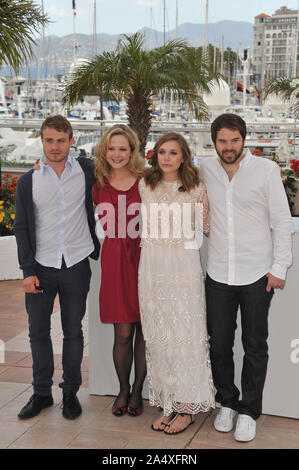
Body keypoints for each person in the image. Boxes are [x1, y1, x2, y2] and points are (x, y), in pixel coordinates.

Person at [199, 113, 293, 442]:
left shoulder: (266, 171)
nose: (229, 147)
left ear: (244, 139)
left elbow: (282, 221)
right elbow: (168, 174)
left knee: (255, 345)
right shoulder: (204, 169)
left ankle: (250, 410)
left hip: (257, 273)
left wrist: (279, 267)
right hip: (219, 273)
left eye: (234, 141)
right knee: (220, 343)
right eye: (222, 141)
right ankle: (227, 401)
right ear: (214, 142)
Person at [13, 115, 100, 420]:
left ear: (71, 141)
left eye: (61, 140)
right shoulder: (29, 180)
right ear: (41, 140)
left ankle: (70, 393)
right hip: (41, 266)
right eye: (49, 140)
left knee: (73, 331)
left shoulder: (86, 170)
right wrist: (27, 271)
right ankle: (41, 393)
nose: (54, 147)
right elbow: (21, 227)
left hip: (76, 263)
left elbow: (120, 167)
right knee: (38, 332)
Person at [138, 132, 215, 435]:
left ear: (184, 156)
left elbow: (206, 227)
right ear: (155, 156)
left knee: (186, 335)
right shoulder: (145, 185)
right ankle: (169, 403)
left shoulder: (196, 188)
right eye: (161, 152)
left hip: (183, 268)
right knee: (159, 337)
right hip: (152, 267)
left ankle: (187, 407)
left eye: (173, 152)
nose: (167, 158)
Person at [93, 124, 147, 417]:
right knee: (123, 333)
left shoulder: (147, 179)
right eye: (111, 148)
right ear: (104, 150)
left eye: (122, 149)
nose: (116, 154)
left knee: (145, 331)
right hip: (114, 262)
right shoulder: (97, 180)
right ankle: (122, 389)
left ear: (132, 151)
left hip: (146, 259)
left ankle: (138, 392)